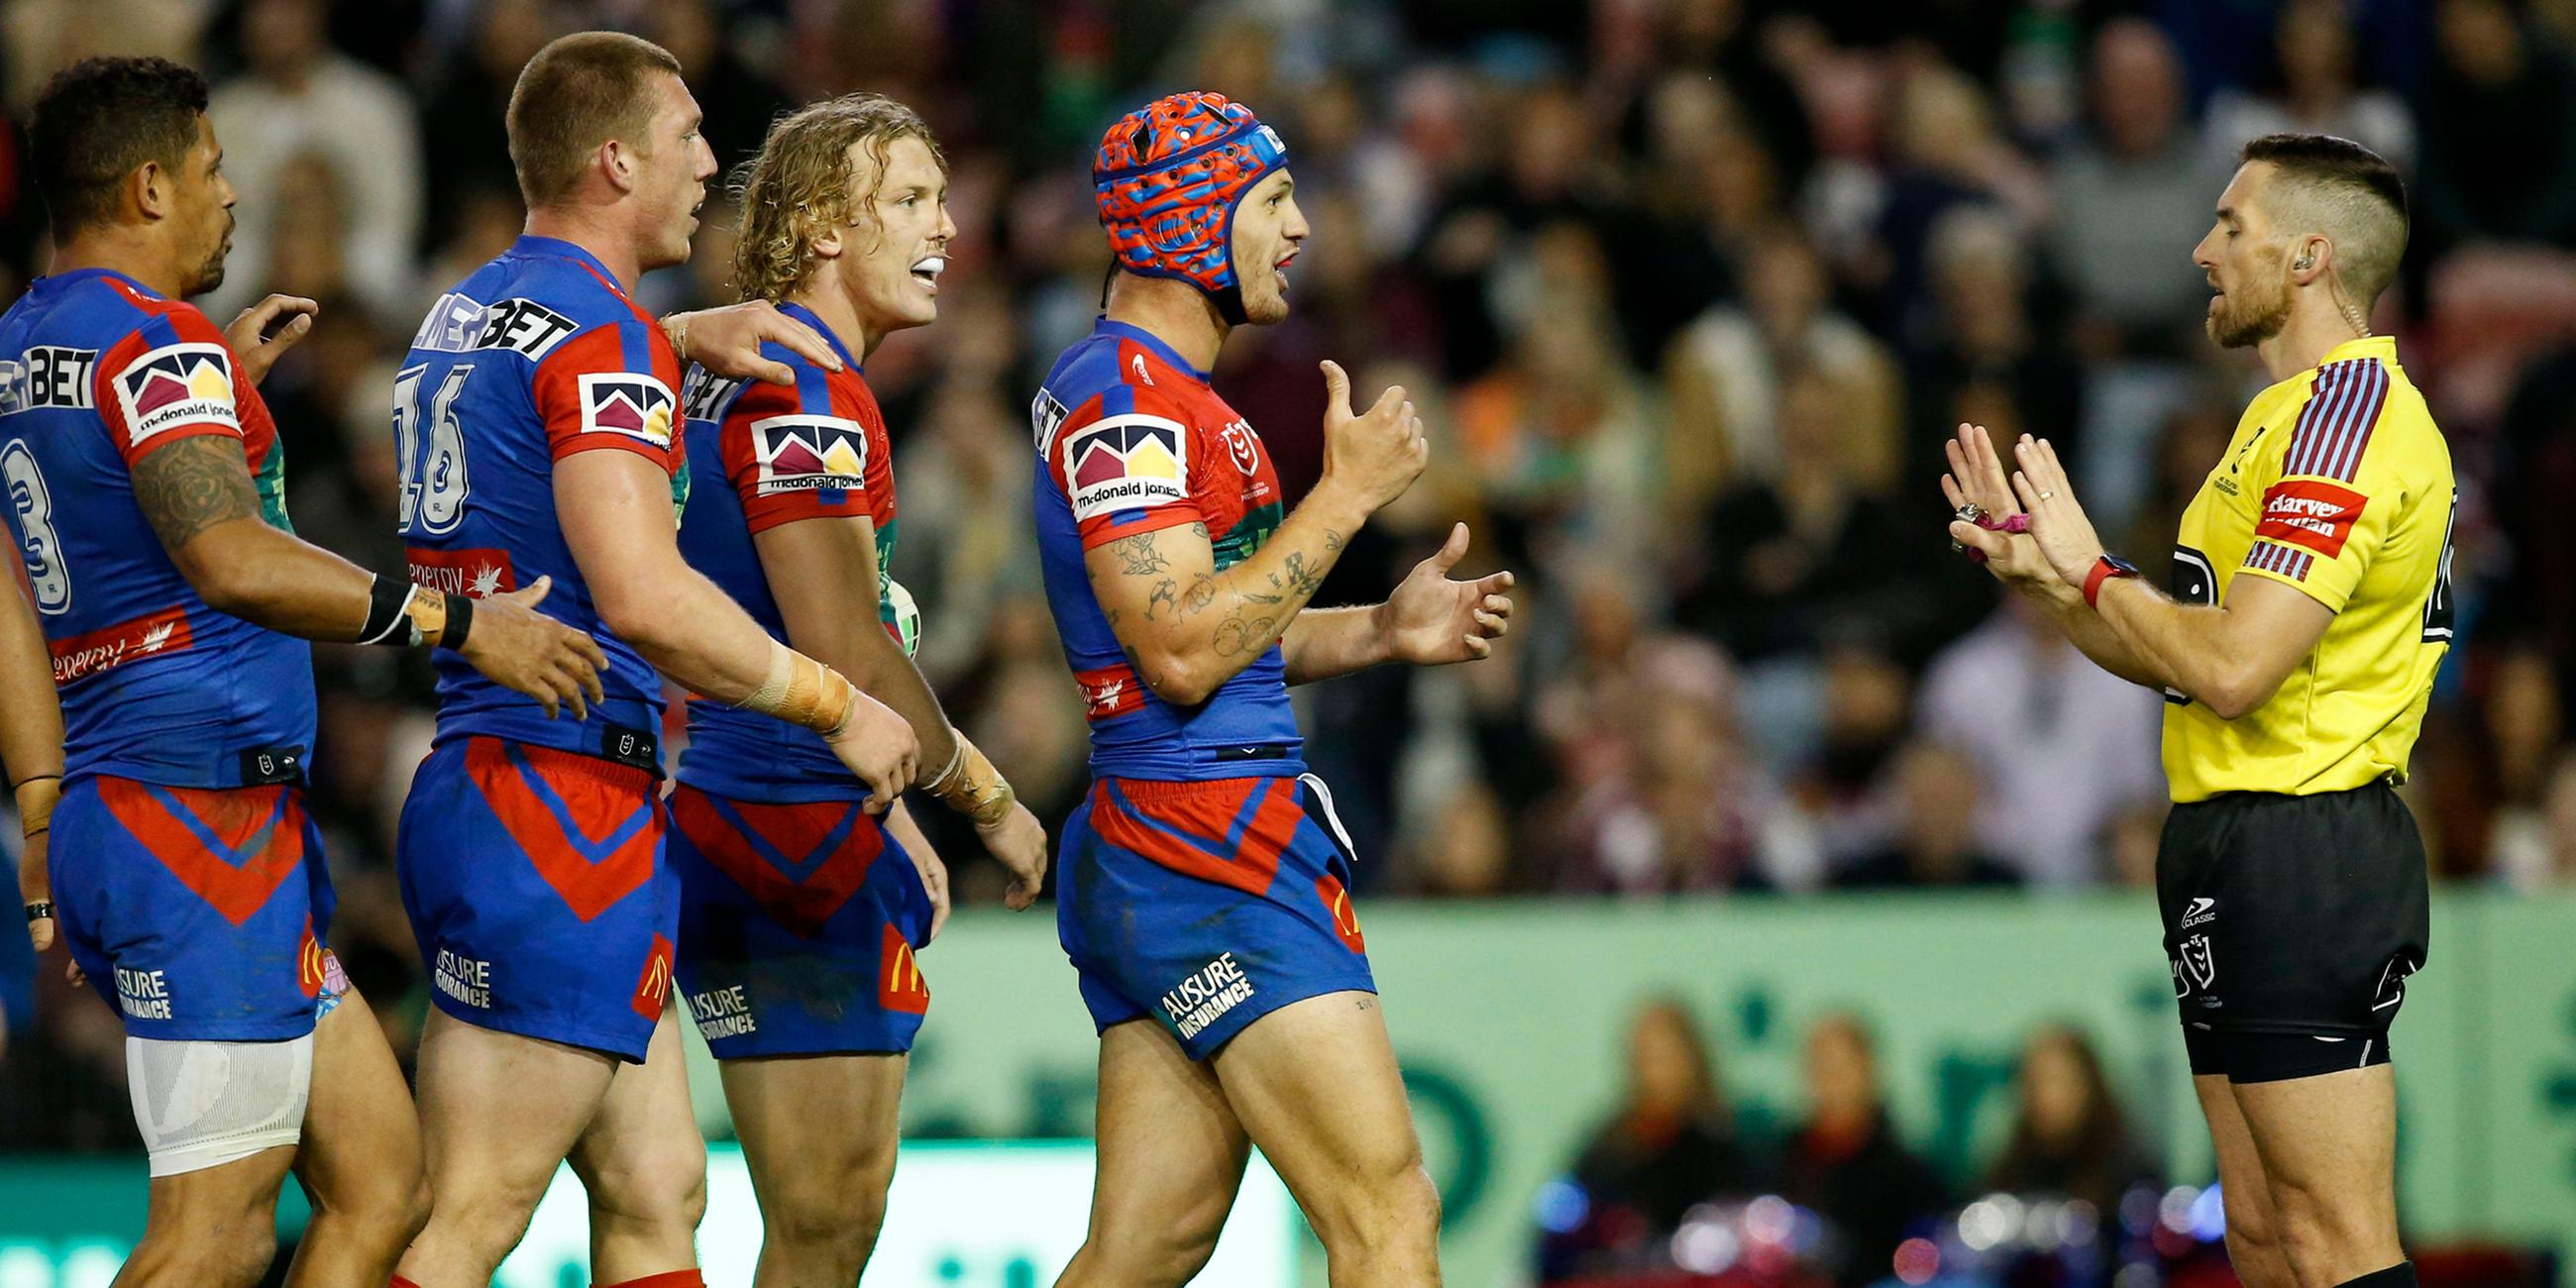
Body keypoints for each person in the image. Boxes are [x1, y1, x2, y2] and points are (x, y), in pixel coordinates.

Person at [0, 55, 600, 1285]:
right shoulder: (154, 348)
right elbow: (228, 558)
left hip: (159, 809)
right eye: (218, 173)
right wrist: (463, 624)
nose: (236, 198)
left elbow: (17, 588)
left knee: (382, 1186)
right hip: (195, 823)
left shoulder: (26, 343)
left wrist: (40, 801)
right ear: (151, 187)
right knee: (208, 1241)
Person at [385, 34, 919, 1287]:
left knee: (656, 1188)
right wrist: (832, 702)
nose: (706, 164)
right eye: (685, 136)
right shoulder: (604, 336)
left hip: (505, 777)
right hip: (556, 802)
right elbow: (646, 596)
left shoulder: (472, 305)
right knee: (475, 1212)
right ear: (615, 159)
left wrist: (672, 332)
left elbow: (546, 395)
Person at [1947, 133, 2449, 1288]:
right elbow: (2176, 652)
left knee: (2330, 1234)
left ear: (2310, 255)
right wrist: (2041, 572)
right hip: (2232, 831)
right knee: (2263, 1231)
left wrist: (2087, 573)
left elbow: (2233, 668)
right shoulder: (2272, 422)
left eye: (2229, 225)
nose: (2200, 249)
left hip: (2302, 837)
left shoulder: (2347, 414)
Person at [1034, 91, 1515, 1285]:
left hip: (1166, 833)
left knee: (1148, 1245)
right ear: (1189, 215)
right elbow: (1181, 651)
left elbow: (1218, 634)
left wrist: (1377, 630)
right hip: (1210, 846)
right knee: (1386, 1214)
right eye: (1273, 198)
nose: (1300, 228)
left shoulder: (1162, 395)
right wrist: (1343, 501)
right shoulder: (1127, 402)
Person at [666, 93, 1047, 1284]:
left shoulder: (746, 368)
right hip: (782, 831)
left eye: (942, 197)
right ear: (826, 226)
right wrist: (984, 797)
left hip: (766, 812)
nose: (945, 227)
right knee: (827, 1225)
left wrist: (888, 811)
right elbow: (844, 643)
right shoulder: (804, 390)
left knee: (815, 1223)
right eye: (908, 201)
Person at [1777, 1013, 1948, 1288]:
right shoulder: (1777, 1165)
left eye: (1842, 1068)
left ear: (1870, 1071)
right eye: (1819, 1067)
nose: (1830, 1082)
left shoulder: (1909, 1179)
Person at [1568, 997, 1761, 1230]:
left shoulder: (1719, 1144)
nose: (1655, 1071)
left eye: (1665, 1055)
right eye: (1647, 1056)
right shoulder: (1610, 1146)